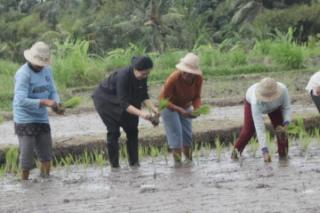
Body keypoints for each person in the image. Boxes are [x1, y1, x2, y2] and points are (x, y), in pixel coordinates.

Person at [92, 56, 158, 169]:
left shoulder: (143, 76)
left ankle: (134, 164)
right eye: (143, 73)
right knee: (113, 132)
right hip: (106, 100)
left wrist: (153, 109)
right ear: (135, 69)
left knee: (132, 130)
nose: (145, 76)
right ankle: (115, 166)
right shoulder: (123, 76)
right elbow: (123, 103)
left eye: (148, 73)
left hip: (127, 100)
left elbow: (143, 94)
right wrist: (142, 113)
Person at [13, 41, 64, 180]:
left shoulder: (47, 71)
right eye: (38, 63)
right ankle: (25, 184)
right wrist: (44, 102)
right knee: (27, 156)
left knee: (46, 153)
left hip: (41, 118)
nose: (40, 66)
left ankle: (45, 180)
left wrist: (57, 103)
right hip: (24, 118)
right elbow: (20, 100)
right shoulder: (23, 74)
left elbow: (53, 91)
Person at [232, 77, 291, 162]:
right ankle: (235, 153)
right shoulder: (255, 101)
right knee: (248, 130)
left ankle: (283, 157)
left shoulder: (283, 90)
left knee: (281, 130)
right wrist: (264, 151)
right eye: (267, 97)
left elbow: (287, 107)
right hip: (251, 103)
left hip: (275, 107)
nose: (269, 99)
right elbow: (259, 127)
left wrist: (286, 123)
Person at [159, 53, 203, 167]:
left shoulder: (198, 79)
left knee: (187, 136)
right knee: (176, 135)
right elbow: (164, 100)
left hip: (185, 106)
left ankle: (189, 163)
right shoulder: (173, 79)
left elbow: (197, 96)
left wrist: (198, 109)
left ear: (194, 73)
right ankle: (177, 165)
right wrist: (179, 110)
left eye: (189, 72)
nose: (186, 74)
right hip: (170, 107)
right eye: (184, 70)